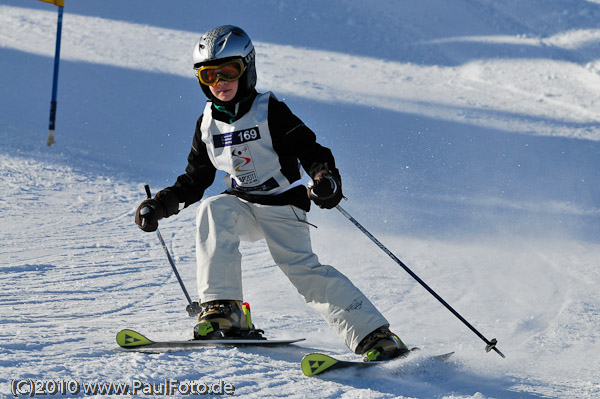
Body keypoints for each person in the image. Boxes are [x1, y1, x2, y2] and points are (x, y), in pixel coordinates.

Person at [135, 25, 408, 361]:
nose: (220, 82)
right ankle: (225, 310)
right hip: (243, 206)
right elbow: (195, 178)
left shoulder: (269, 110)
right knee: (213, 208)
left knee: (303, 271)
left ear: (247, 68)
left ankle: (375, 336)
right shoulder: (207, 123)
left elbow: (311, 150)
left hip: (283, 206)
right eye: (209, 75)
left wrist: (326, 179)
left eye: (229, 71)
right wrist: (161, 205)